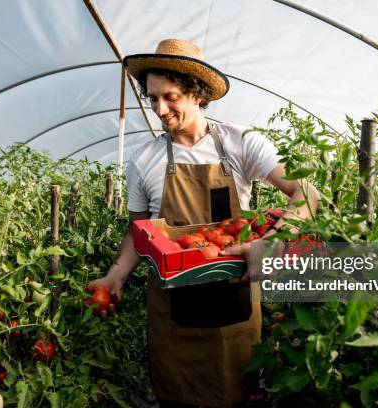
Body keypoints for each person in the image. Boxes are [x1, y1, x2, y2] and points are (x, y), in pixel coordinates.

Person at [87, 39, 320, 408]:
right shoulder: (144, 160)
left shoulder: (240, 143)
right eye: (152, 98)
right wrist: (115, 277)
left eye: (171, 96)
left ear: (197, 94)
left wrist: (271, 242)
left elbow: (306, 194)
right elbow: (139, 233)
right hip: (173, 316)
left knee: (238, 395)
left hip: (235, 306)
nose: (160, 109)